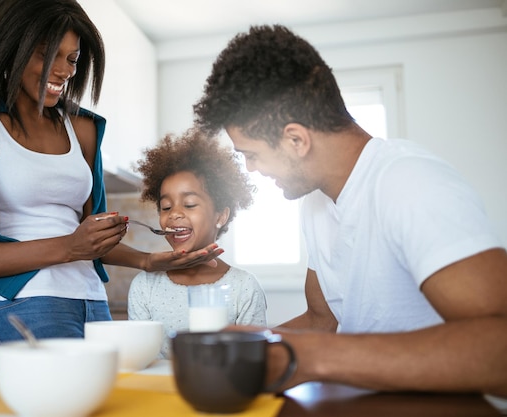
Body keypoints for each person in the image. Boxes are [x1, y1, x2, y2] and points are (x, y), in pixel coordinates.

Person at [192, 25, 507, 397]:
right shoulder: (316, 201)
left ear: (296, 139)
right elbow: (322, 319)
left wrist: (307, 356)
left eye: (252, 154)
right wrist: (248, 344)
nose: (251, 169)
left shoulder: (409, 182)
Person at [0, 0, 220, 355]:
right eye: (48, 55)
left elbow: (86, 237)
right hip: (24, 305)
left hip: (93, 301)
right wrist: (69, 247)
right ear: (8, 47)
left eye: (72, 59)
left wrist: (146, 260)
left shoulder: (83, 130)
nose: (63, 71)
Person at [128, 129, 267, 358]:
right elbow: (143, 358)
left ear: (220, 216)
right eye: (166, 207)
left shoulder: (244, 287)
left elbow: (250, 358)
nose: (174, 214)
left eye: (190, 204)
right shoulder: (145, 286)